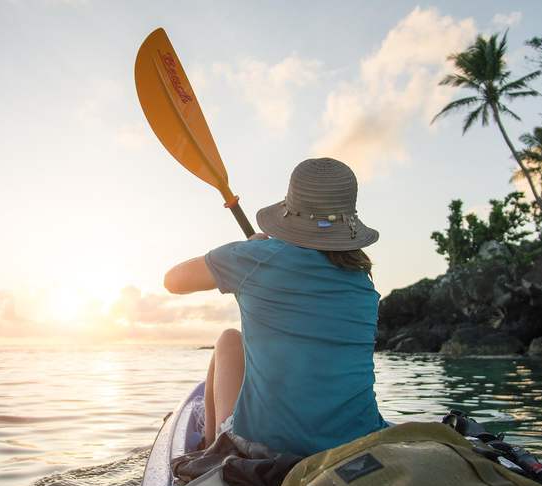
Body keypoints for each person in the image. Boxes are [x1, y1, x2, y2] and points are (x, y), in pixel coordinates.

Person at [164, 157, 387, 457]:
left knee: (229, 340)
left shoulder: (255, 258)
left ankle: (211, 450)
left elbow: (173, 281)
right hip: (356, 443)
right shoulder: (364, 283)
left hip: (267, 446)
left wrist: (245, 250)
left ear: (290, 211)